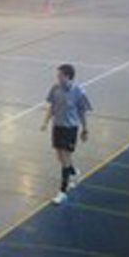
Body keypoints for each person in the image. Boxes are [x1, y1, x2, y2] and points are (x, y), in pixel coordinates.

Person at [41, 64, 92, 205]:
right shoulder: (55, 88)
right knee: (60, 156)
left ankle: (62, 191)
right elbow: (52, 106)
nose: (58, 78)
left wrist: (85, 129)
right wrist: (46, 122)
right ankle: (74, 172)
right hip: (57, 126)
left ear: (68, 76)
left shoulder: (79, 92)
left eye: (60, 75)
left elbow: (82, 111)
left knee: (65, 157)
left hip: (70, 128)